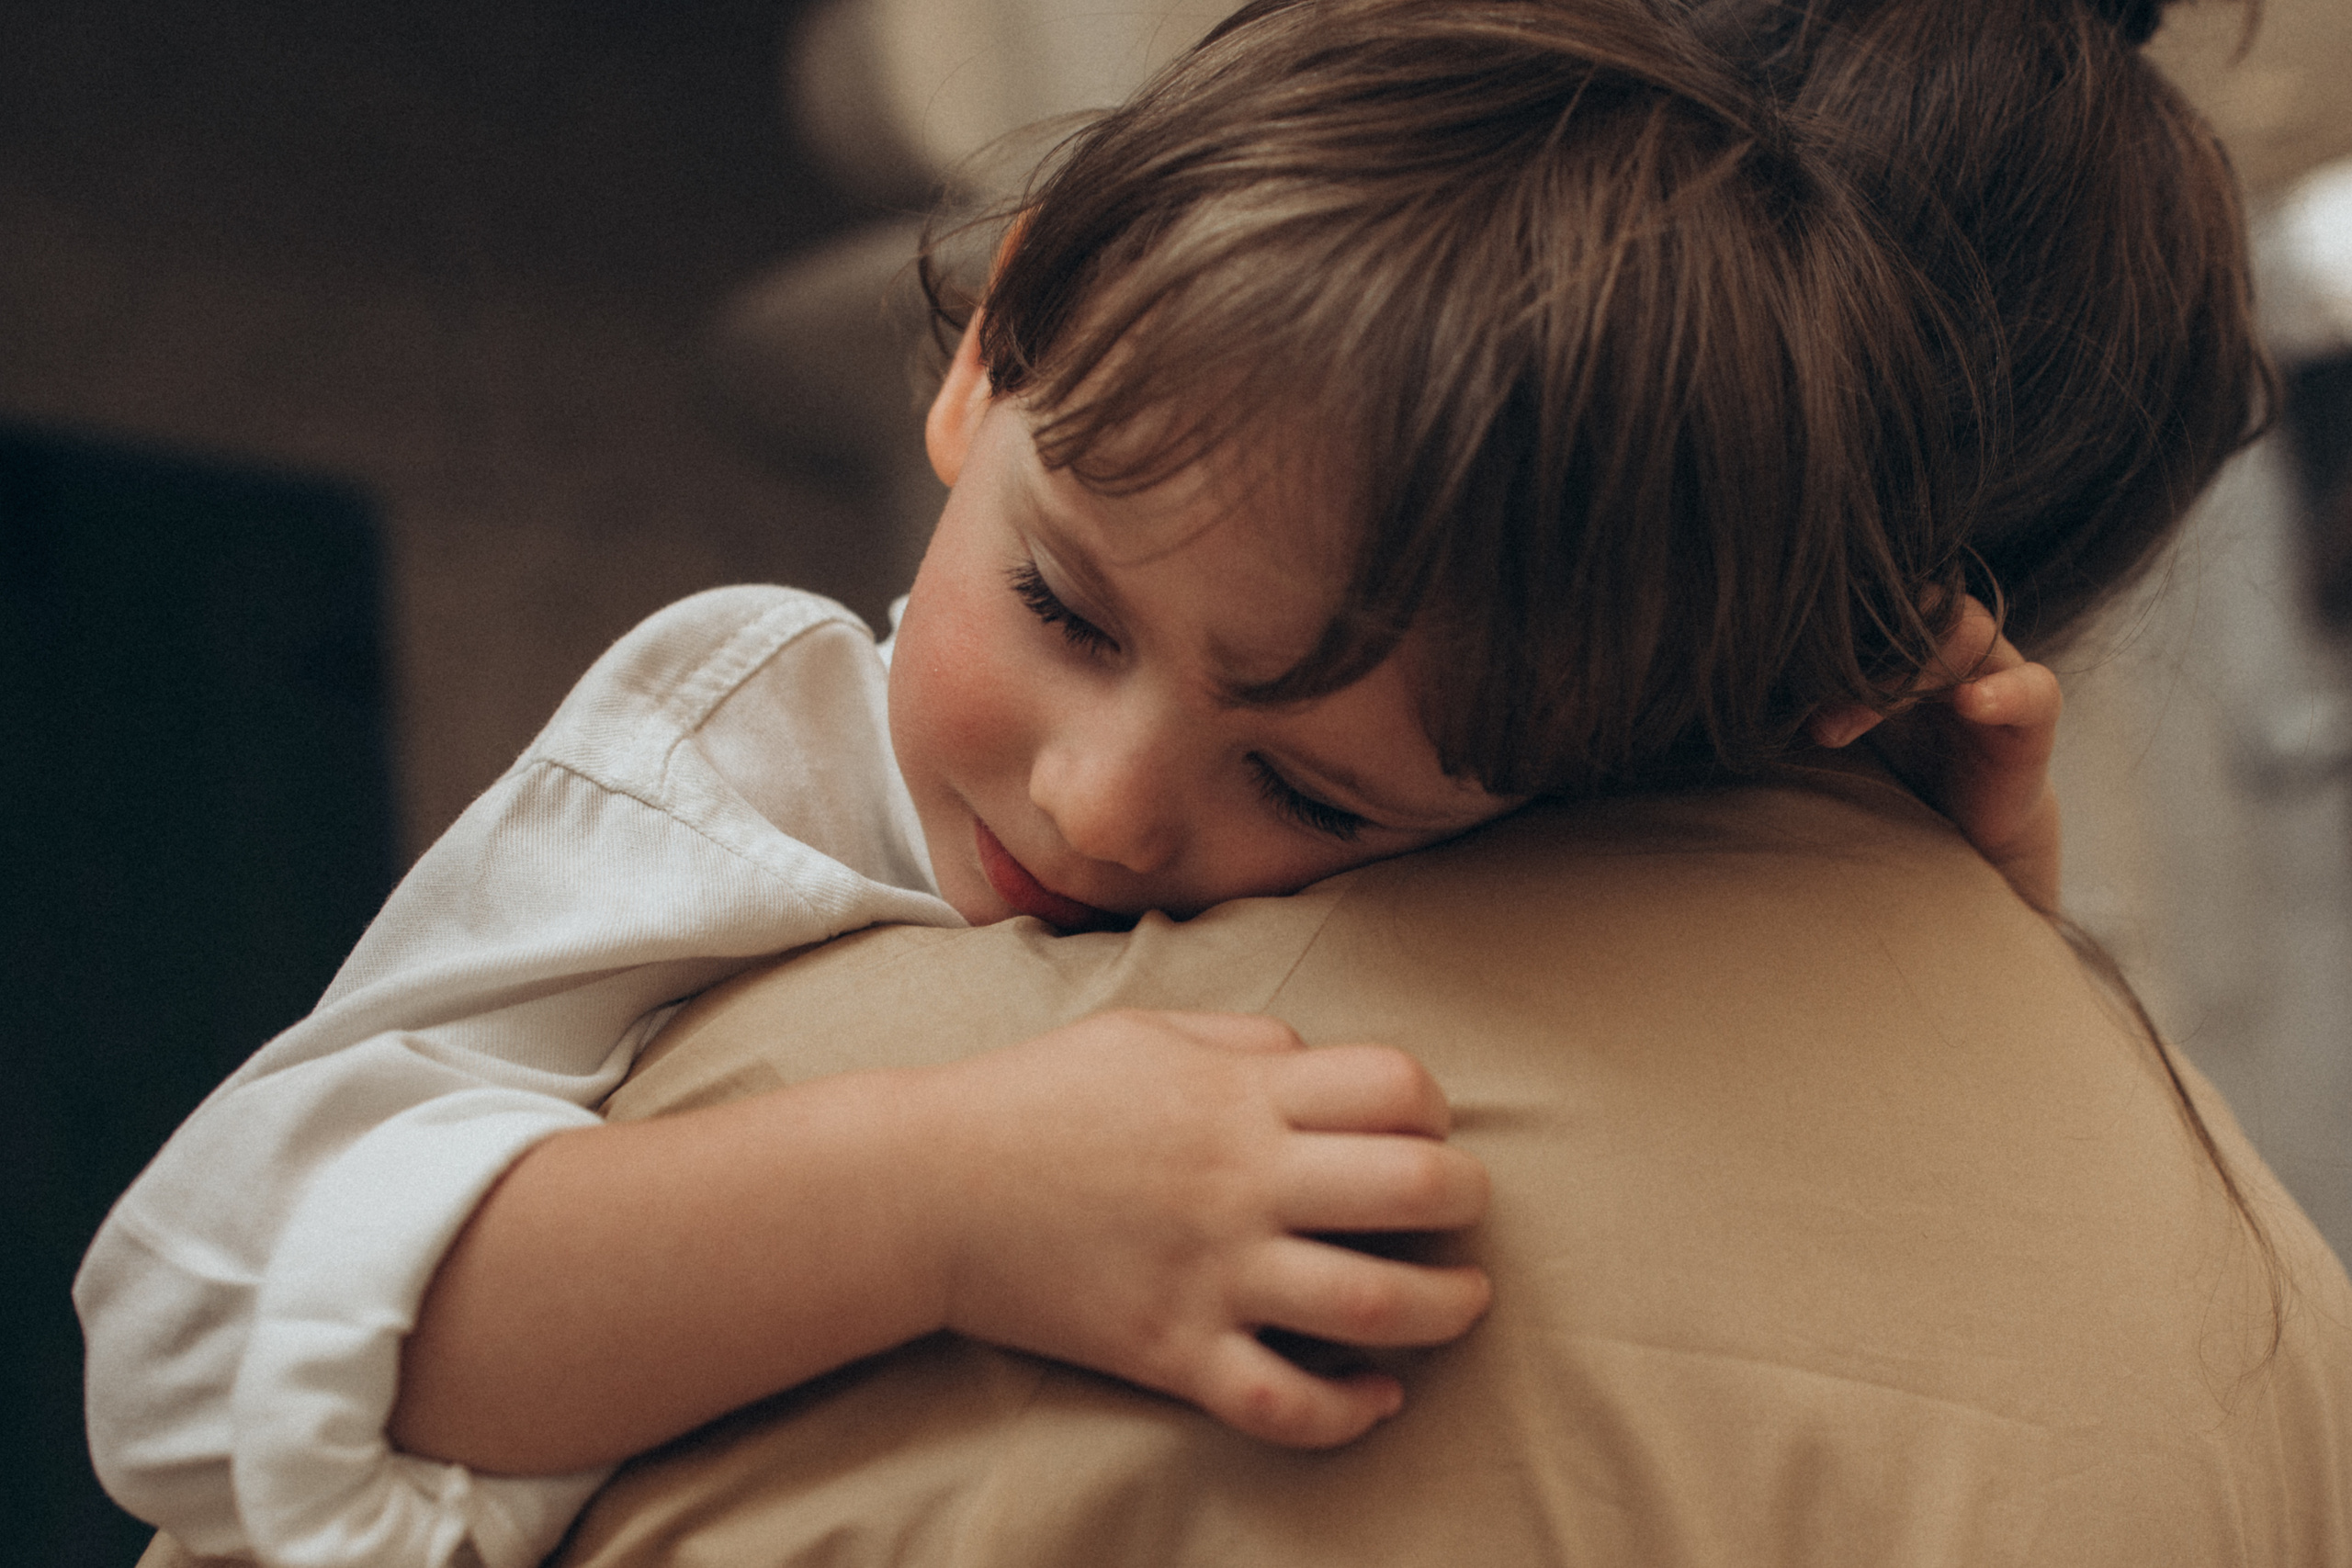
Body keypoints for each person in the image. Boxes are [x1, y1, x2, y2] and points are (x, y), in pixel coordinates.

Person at [81, 1, 2260, 1565]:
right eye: (1064, 609)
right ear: (986, 346)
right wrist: (945, 1201)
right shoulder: (734, 761)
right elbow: (189, 1345)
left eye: (1311, 793)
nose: (1112, 808)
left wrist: (1939, 884)